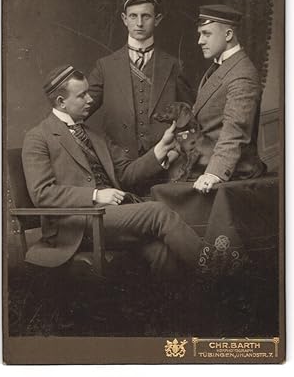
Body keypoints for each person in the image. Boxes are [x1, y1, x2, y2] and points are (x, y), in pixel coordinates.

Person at [22, 65, 202, 278]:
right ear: (61, 102)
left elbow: (126, 174)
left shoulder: (93, 135)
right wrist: (95, 195)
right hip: (76, 225)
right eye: (82, 95)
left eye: (89, 92)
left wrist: (161, 148)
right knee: (158, 212)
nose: (90, 99)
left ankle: (177, 306)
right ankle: (216, 272)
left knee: (160, 251)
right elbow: (42, 193)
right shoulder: (38, 137)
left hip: (109, 217)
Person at [87, 0, 194, 159]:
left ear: (157, 19)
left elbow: (189, 117)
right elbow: (79, 109)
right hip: (119, 164)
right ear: (124, 19)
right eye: (133, 16)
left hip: (165, 163)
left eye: (146, 16)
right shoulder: (105, 67)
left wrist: (176, 151)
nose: (139, 23)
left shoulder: (174, 65)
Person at [191, 4, 266, 194]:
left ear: (228, 35)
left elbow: (235, 129)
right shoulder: (221, 66)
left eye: (206, 34)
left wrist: (214, 173)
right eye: (200, 34)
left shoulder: (242, 73)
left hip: (233, 171)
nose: (200, 41)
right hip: (203, 162)